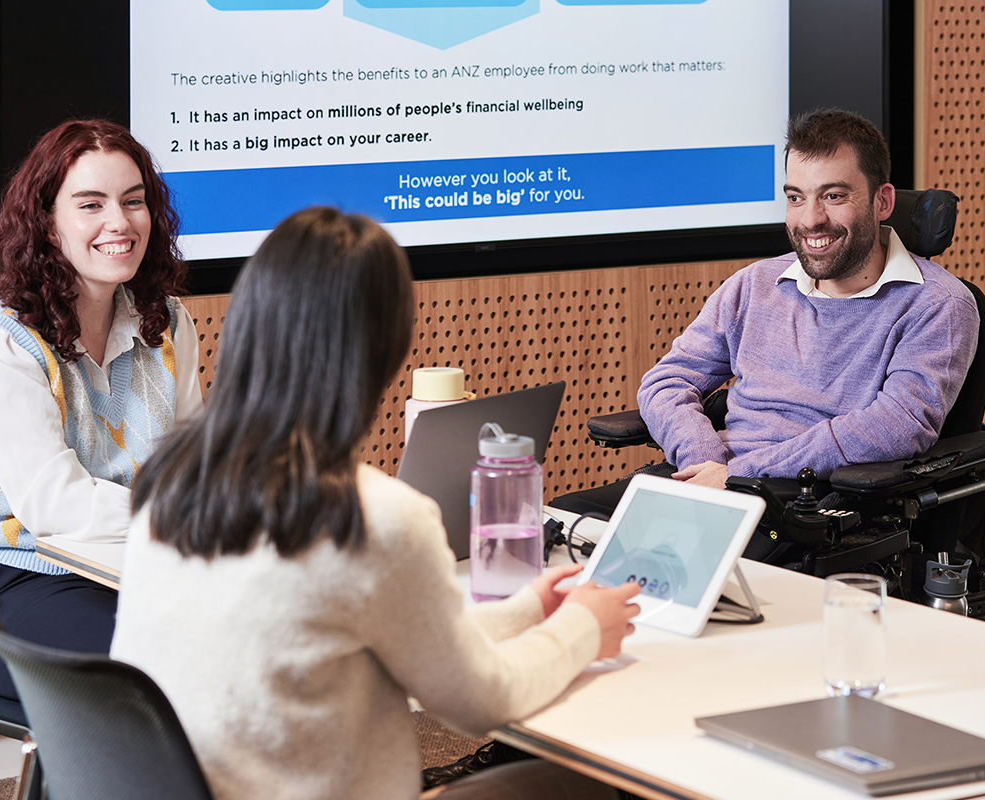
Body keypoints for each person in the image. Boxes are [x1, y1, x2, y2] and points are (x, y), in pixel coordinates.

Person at [110, 207, 640, 800]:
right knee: (589, 787)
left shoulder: (173, 483)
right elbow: (479, 702)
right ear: (385, 348)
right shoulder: (372, 515)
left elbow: (398, 638)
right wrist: (583, 628)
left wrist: (527, 611)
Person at [0, 119, 203, 700]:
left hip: (139, 562)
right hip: (14, 580)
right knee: (169, 670)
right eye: (91, 205)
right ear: (48, 225)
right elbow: (54, 504)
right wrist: (182, 520)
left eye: (134, 201)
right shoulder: (3, 342)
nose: (119, 222)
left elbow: (192, 464)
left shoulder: (167, 322)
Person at [638, 109, 980, 488]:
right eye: (796, 197)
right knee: (586, 516)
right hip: (713, 478)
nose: (811, 219)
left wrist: (738, 476)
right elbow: (667, 381)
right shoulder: (755, 284)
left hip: (812, 499)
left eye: (833, 196)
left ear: (882, 202)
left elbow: (898, 425)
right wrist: (702, 462)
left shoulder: (938, 304)